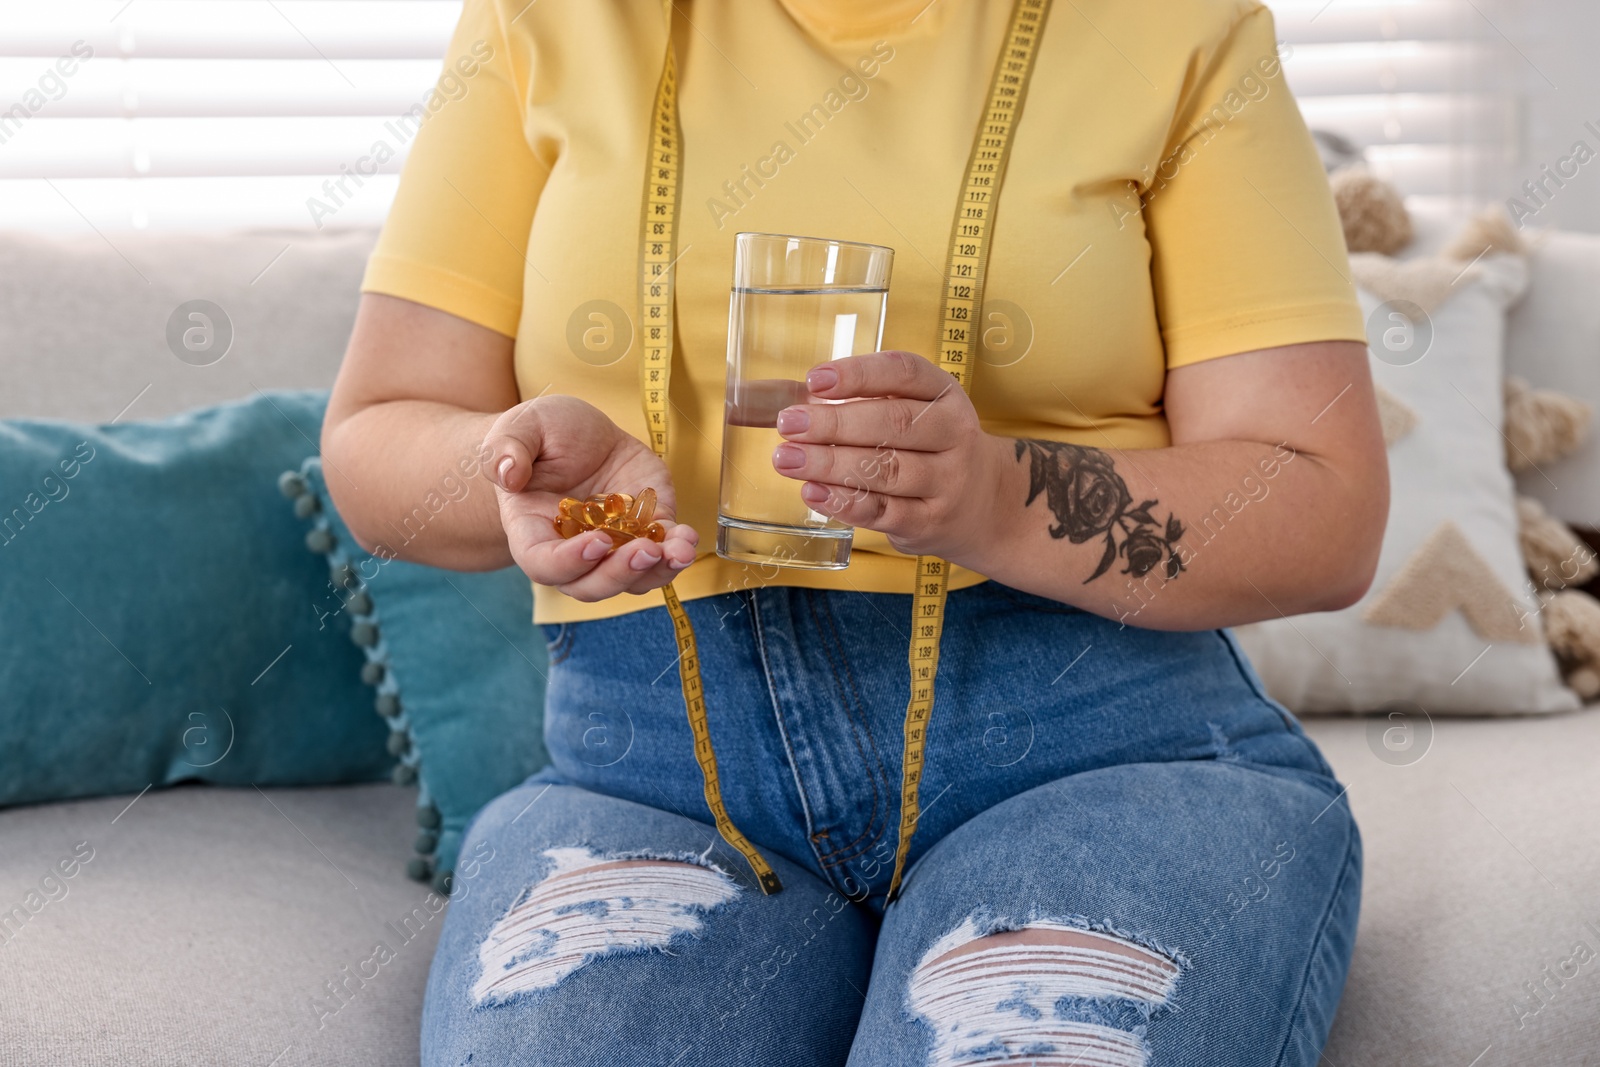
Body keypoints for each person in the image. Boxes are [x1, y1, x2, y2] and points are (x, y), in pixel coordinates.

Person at [322, 1, 1389, 1063]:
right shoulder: (544, 19)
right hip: (653, 774)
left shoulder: (1176, 28)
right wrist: (511, 472)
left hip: (1100, 756)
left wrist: (999, 495)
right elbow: (378, 433)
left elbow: (1322, 506)